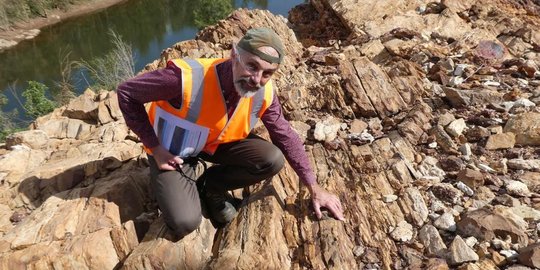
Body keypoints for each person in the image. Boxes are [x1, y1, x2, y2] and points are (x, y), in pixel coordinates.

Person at [117, 27, 345, 239]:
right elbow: (127, 93)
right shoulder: (183, 79)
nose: (257, 80)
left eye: (267, 73)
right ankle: (177, 186)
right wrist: (155, 148)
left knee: (271, 159)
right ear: (234, 55)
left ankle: (210, 186)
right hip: (172, 151)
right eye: (252, 66)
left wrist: (314, 188)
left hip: (214, 144)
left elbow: (284, 133)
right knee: (185, 221)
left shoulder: (264, 92)